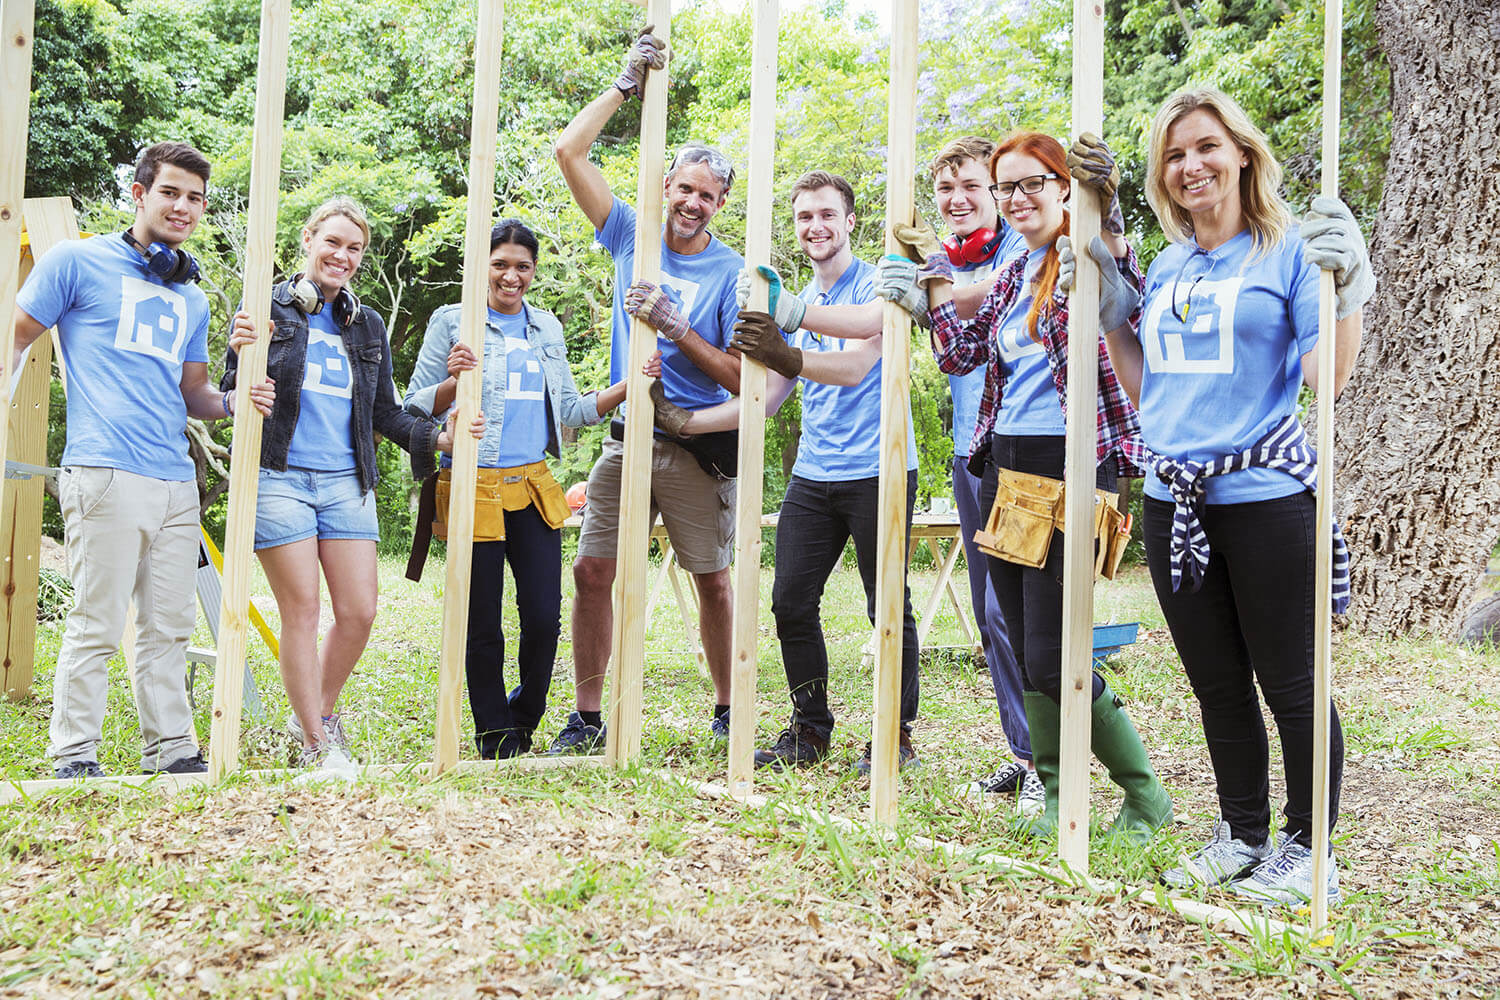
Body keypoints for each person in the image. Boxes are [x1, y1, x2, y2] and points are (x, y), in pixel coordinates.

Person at [1073, 87, 1371, 903]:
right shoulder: (1170, 266)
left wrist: (1346, 290)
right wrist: (1111, 317)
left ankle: (1311, 851)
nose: (1190, 165)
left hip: (1267, 498)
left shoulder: (1288, 254)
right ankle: (1242, 833)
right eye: (1173, 156)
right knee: (1216, 684)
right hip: (1175, 500)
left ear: (1242, 152)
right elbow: (1148, 391)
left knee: (1291, 683)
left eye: (1205, 147)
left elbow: (1328, 378)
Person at [882, 131, 1173, 840]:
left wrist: (1106, 216)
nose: (1016, 200)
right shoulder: (1018, 272)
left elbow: (1122, 281)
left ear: (1063, 187)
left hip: (1072, 464)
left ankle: (1145, 798)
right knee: (1013, 632)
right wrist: (927, 285)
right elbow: (959, 353)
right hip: (1010, 466)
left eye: (1031, 185)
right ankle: (1052, 792)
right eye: (1005, 188)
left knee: (1051, 650)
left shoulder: (1083, 255)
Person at [11, 142, 273, 778]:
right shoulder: (75, 261)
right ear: (140, 193)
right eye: (170, 193)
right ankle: (73, 758)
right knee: (97, 623)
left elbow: (194, 394)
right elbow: (13, 340)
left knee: (170, 627)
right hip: (103, 472)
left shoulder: (191, 298)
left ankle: (172, 750)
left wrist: (236, 399)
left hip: (175, 480)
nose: (183, 207)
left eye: (194, 198)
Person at [652, 171, 921, 772]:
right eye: (804, 218)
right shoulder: (803, 299)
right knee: (790, 602)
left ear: (850, 221)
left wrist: (788, 342)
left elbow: (855, 367)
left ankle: (895, 737)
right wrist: (686, 422)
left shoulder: (879, 287)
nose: (816, 227)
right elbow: (768, 398)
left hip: (879, 467)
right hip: (815, 473)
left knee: (888, 608)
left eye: (827, 215)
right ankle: (810, 730)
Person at [547, 25, 745, 752]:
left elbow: (739, 376)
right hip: (627, 440)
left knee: (713, 582)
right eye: (684, 188)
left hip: (695, 450)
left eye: (708, 195)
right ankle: (589, 717)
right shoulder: (632, 232)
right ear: (666, 186)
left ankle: (727, 712)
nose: (693, 203)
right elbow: (569, 152)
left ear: (721, 204)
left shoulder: (732, 273)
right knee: (593, 570)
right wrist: (626, 84)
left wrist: (675, 325)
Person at [224, 196, 472, 773]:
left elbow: (385, 412)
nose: (342, 255)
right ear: (308, 239)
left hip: (346, 482)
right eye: (332, 242)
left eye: (354, 248)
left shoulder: (367, 325)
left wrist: (439, 438)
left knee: (359, 611)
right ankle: (316, 745)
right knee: (303, 610)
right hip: (277, 475)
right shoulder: (265, 307)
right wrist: (240, 351)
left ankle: (315, 715)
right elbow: (237, 390)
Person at [403, 219, 627, 759]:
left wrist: (629, 387)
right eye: (500, 264)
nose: (511, 276)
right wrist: (455, 381)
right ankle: (494, 735)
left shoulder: (545, 328)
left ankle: (524, 717)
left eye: (522, 266)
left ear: (533, 271)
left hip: (531, 486)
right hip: (472, 486)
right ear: (482, 266)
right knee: (482, 619)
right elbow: (413, 405)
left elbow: (571, 409)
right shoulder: (452, 321)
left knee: (545, 616)